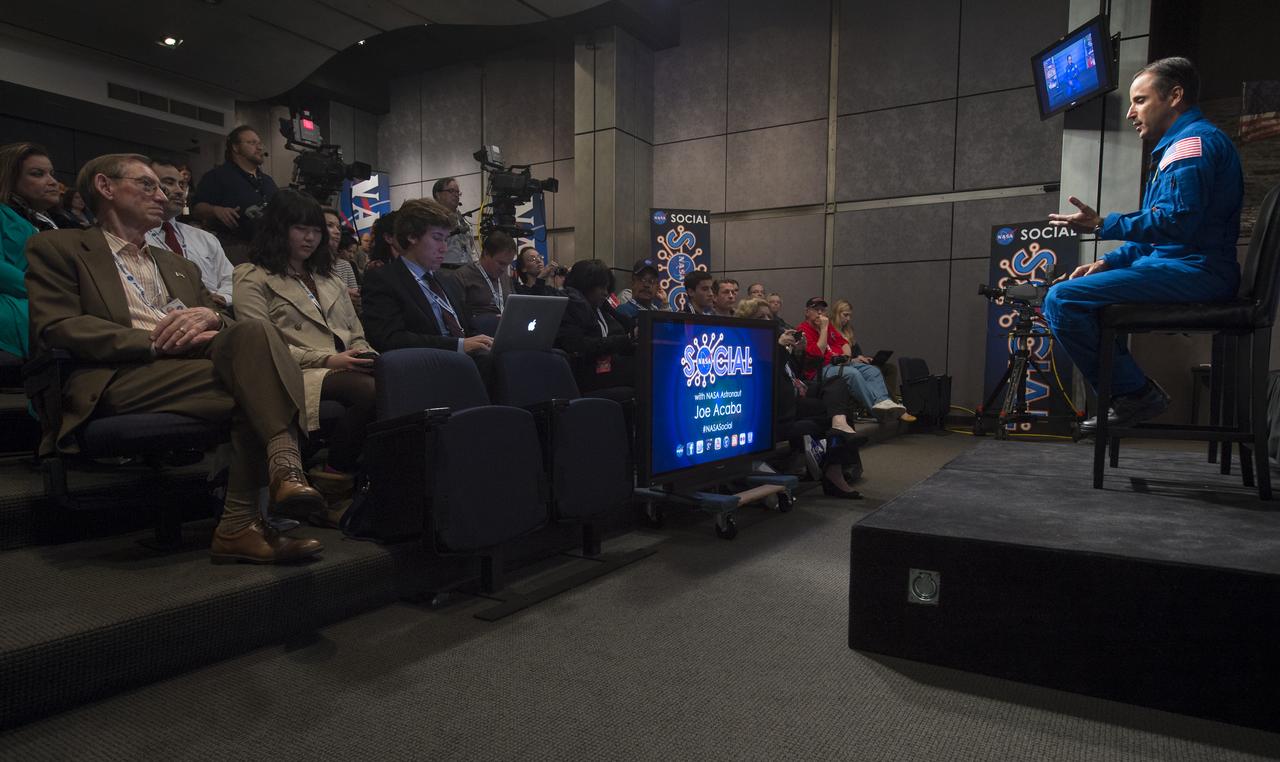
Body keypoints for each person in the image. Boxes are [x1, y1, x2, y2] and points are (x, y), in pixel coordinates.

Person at [25, 153, 324, 564]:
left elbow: (225, 321)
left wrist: (212, 316)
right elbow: (57, 326)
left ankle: (247, 517)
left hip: (193, 365)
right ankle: (266, 493)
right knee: (260, 385)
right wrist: (151, 342)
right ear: (105, 187)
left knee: (255, 333)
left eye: (163, 188)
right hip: (119, 372)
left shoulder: (178, 264)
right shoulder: (57, 247)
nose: (162, 195)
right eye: (147, 184)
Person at [1044, 57, 1242, 433]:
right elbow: (1159, 237)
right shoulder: (1178, 147)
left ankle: (1135, 395)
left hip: (1199, 272)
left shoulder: (1191, 145)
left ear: (1175, 97)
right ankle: (1130, 394)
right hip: (1180, 265)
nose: (1130, 113)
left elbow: (1176, 224)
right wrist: (1108, 263)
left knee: (1064, 299)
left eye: (1139, 100)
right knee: (1074, 295)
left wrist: (1104, 223)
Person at [233, 190, 376, 528]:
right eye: (300, 228)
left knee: (400, 377)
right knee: (369, 391)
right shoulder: (252, 276)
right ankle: (333, 481)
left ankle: (380, 484)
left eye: (316, 230)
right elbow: (259, 345)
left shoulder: (331, 280)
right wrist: (329, 360)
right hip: (293, 372)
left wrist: (361, 352)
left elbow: (356, 331)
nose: (311, 237)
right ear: (278, 229)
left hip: (345, 365)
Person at [360, 198, 493, 357]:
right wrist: (457, 345)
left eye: (445, 239)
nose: (444, 248)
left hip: (467, 359)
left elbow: (467, 327)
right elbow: (389, 339)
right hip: (426, 363)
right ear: (412, 237)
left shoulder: (447, 280)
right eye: (437, 238)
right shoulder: (383, 280)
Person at [797, 297, 909, 422]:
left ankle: (883, 402)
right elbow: (819, 352)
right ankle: (877, 411)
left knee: (873, 371)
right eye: (816, 309)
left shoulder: (829, 328)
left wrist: (846, 357)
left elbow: (844, 342)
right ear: (807, 312)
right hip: (820, 370)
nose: (820, 313)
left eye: (822, 310)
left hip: (840, 364)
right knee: (853, 374)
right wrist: (823, 329)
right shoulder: (803, 330)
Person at [144, 157, 235, 307]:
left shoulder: (204, 238)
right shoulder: (137, 237)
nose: (179, 191)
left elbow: (232, 279)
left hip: (217, 311)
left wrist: (223, 297)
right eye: (169, 182)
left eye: (182, 184)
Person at [0, 142, 62, 360]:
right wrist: (52, 294)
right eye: (38, 174)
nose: (53, 182)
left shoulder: (43, 222)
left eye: (52, 174)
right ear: (9, 178)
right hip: (15, 313)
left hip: (45, 312)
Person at [190, 125, 278, 265]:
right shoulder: (217, 176)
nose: (259, 147)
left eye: (260, 143)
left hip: (268, 251)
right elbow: (196, 208)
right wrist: (215, 210)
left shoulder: (268, 181)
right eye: (252, 143)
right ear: (235, 148)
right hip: (233, 249)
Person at [556, 259, 636, 395]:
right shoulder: (570, 307)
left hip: (607, 372)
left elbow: (626, 328)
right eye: (601, 287)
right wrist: (626, 339)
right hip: (586, 376)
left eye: (607, 288)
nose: (605, 293)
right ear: (586, 285)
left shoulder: (603, 309)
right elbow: (579, 345)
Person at [829, 299, 903, 404]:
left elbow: (857, 351)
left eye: (850, 316)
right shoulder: (830, 331)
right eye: (845, 315)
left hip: (856, 361)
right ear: (837, 313)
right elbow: (837, 356)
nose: (848, 319)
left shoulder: (848, 331)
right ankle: (891, 402)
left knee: (890, 368)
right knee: (875, 369)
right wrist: (855, 360)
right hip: (845, 364)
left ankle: (886, 400)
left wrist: (863, 358)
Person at [449, 230, 515, 320]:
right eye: (501, 263)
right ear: (486, 254)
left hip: (505, 328)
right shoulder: (462, 276)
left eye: (507, 264)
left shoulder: (505, 278)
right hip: (478, 330)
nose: (503, 269)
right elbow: (458, 315)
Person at [431, 177, 477, 270]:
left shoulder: (462, 219)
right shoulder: (431, 218)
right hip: (445, 269)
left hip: (466, 269)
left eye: (458, 192)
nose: (456, 195)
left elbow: (470, 244)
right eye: (451, 191)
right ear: (438, 195)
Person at [321, 207, 360, 312]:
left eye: (338, 227)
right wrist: (342, 292)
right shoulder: (305, 264)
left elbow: (355, 296)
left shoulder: (345, 264)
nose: (337, 231)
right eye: (330, 226)